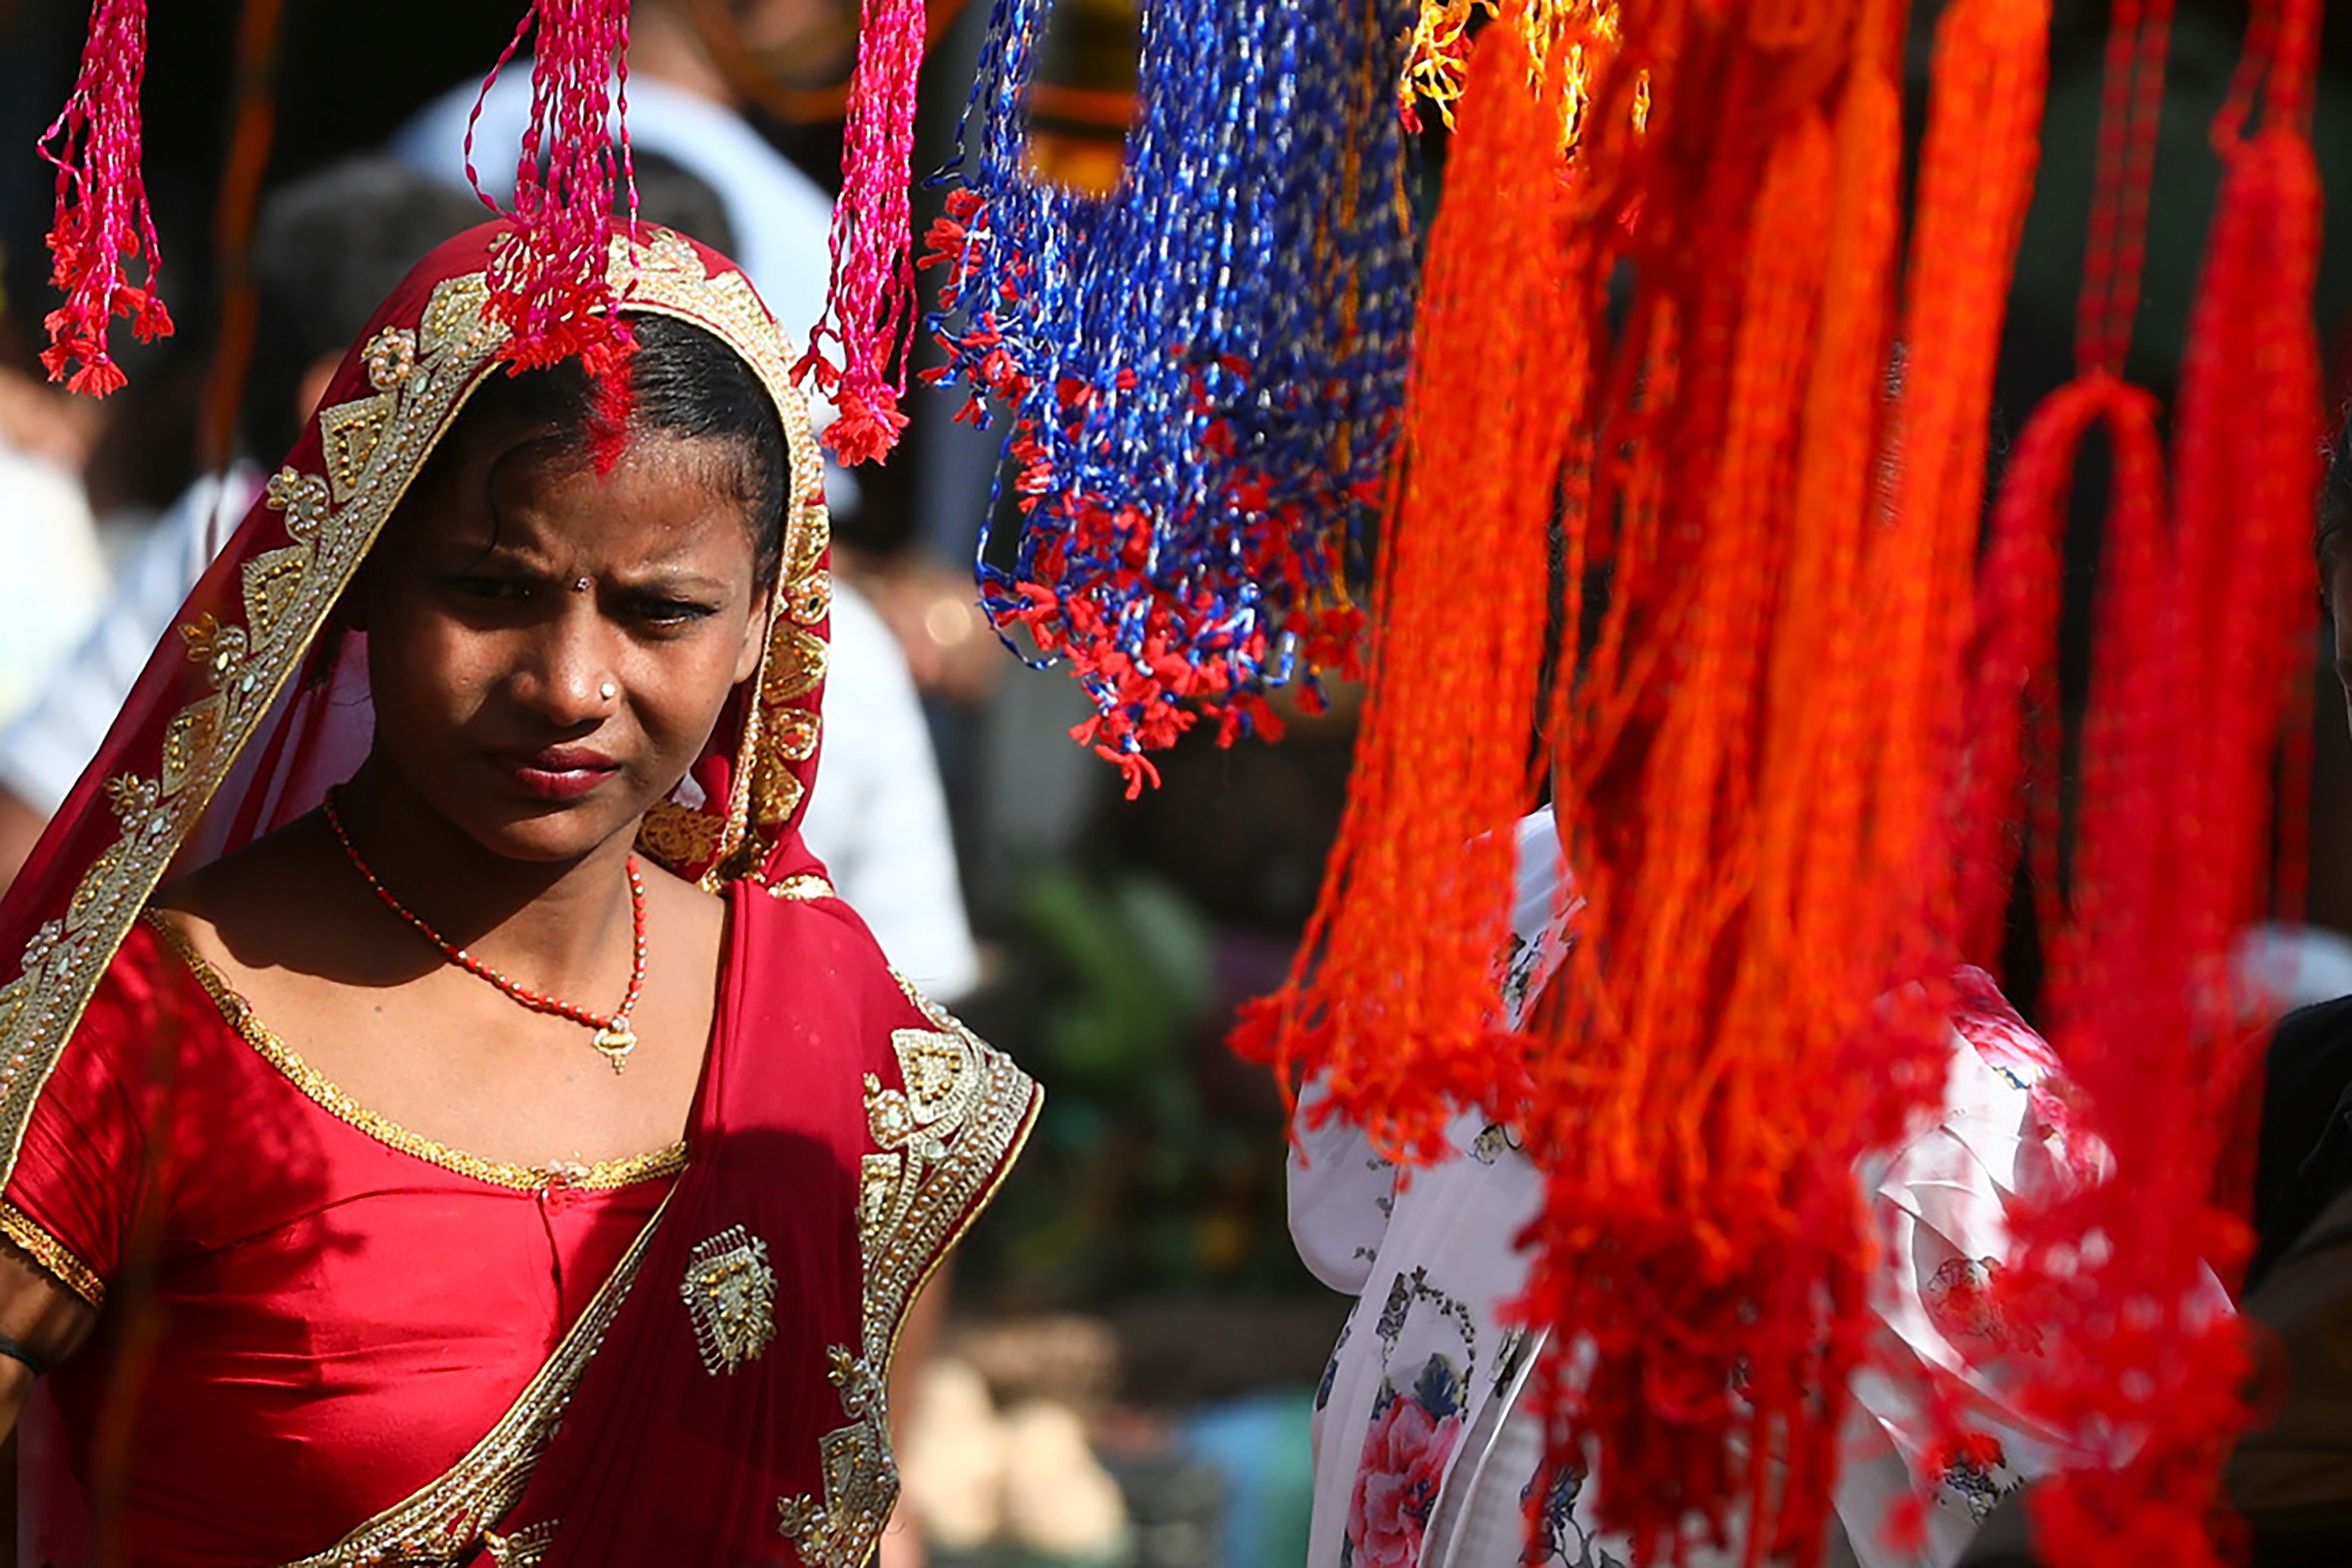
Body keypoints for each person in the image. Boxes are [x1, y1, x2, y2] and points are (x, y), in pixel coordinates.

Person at [0, 220, 1039, 1563]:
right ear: (361, 573)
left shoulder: (838, 1044)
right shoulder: (140, 1035)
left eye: (661, 611)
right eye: (493, 590)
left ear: (762, 628)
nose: (568, 686)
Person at [1291, 812, 2103, 1568]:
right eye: (1576, 667)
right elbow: (1349, 1223)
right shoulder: (1512, 895)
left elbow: (2113, 1512)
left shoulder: (1955, 1137)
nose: (1578, 710)